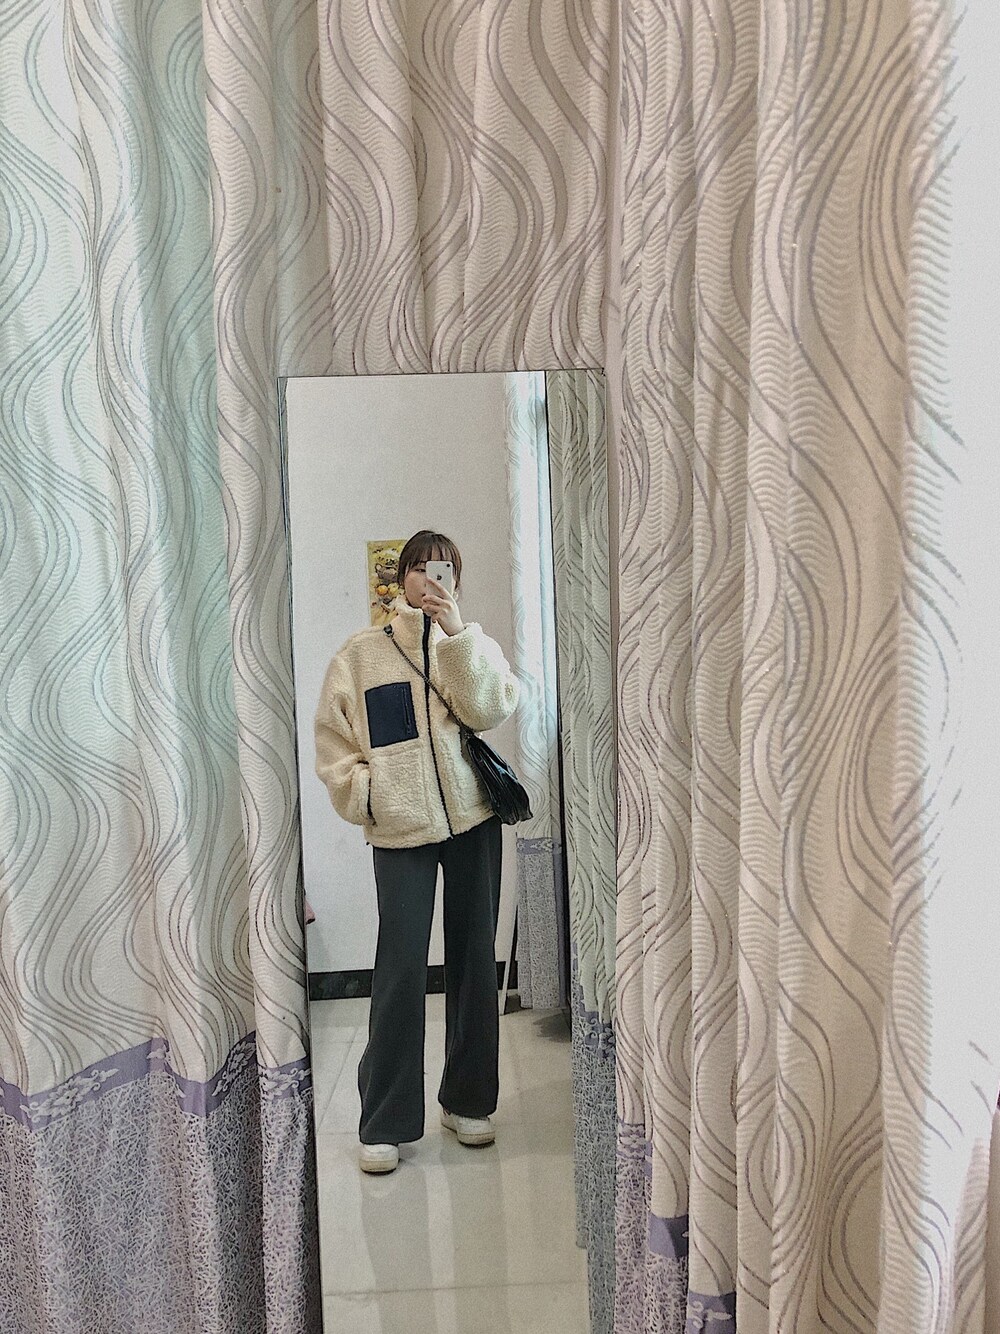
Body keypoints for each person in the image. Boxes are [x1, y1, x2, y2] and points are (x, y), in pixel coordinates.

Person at [314, 530, 519, 1174]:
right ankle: (385, 1120)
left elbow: (491, 710)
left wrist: (457, 637)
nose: (435, 580)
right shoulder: (360, 655)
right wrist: (367, 795)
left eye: (447, 570)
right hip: (400, 829)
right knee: (400, 967)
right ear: (400, 576)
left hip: (473, 822)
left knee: (474, 961)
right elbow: (333, 743)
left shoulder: (471, 643)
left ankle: (468, 1101)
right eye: (424, 569)